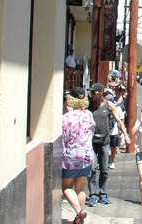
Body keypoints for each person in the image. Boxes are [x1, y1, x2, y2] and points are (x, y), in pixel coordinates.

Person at [86, 82, 131, 207]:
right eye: (91, 92)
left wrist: (126, 135)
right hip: (92, 143)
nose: (92, 94)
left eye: (94, 92)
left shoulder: (109, 105)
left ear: (101, 93)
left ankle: (103, 193)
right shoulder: (88, 106)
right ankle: (93, 195)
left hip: (105, 142)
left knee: (104, 170)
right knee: (93, 169)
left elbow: (119, 121)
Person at [62, 87, 95, 224]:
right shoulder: (89, 115)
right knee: (80, 188)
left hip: (71, 157)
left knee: (66, 187)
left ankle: (79, 212)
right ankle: (79, 219)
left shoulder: (66, 117)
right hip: (87, 156)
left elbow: (64, 137)